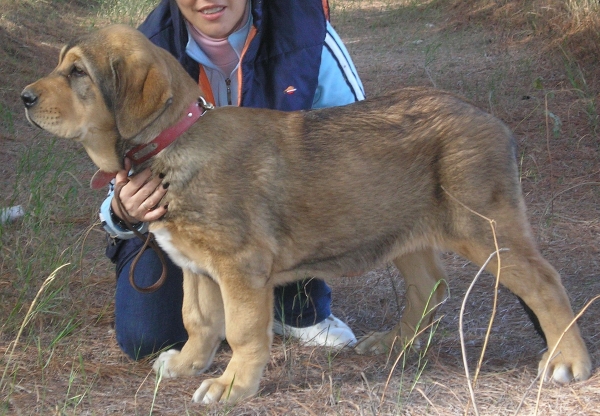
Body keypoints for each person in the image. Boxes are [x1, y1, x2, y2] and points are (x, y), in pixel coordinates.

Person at [99, 0, 366, 360]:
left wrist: (352, 219)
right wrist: (121, 210)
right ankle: (216, 315)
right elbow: (116, 163)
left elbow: (355, 141)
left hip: (277, 214)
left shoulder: (307, 33)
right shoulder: (142, 52)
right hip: (177, 222)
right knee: (147, 338)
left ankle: (294, 307)